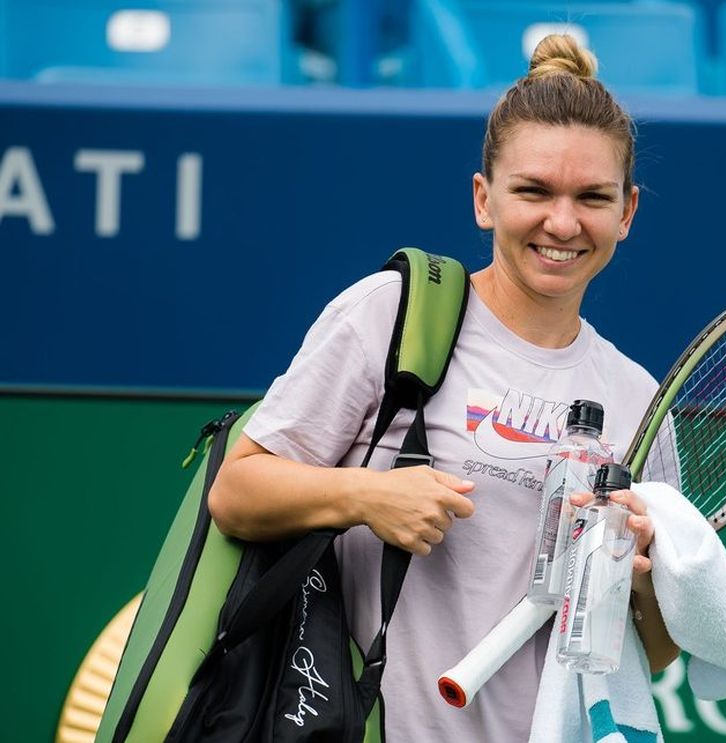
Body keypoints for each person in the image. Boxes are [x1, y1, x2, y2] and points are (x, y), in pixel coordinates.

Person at [209, 34, 678, 741]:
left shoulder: (640, 400)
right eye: (533, 191)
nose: (562, 222)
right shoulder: (389, 315)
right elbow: (235, 493)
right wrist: (367, 496)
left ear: (628, 212)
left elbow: (660, 650)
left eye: (592, 197)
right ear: (483, 199)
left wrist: (636, 576)